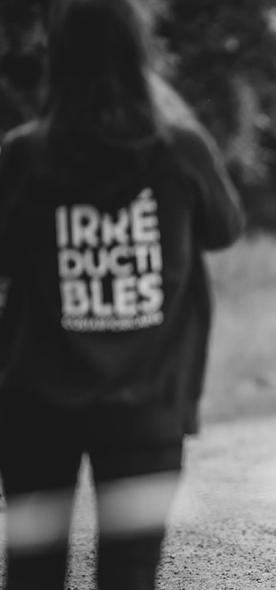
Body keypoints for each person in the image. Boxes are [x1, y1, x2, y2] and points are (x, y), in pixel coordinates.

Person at [0, 0, 244, 587]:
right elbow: (225, 228)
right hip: (150, 403)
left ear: (54, 62)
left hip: (35, 400)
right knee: (130, 574)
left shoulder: (23, 154)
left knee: (32, 573)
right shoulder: (180, 149)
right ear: (143, 61)